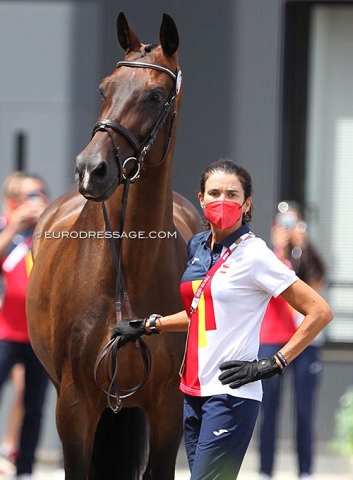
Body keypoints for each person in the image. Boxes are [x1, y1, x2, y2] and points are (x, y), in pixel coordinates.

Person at [111, 158, 333, 480]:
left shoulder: (255, 254)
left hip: (231, 392)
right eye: (214, 193)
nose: (223, 201)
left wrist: (274, 363)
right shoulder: (197, 246)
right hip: (192, 390)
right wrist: (149, 325)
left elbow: (320, 311)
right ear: (201, 199)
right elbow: (199, 314)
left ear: (247, 204)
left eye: (232, 194)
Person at [0, 172, 50, 480]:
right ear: (14, 200)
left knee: (34, 404)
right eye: (32, 195)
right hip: (2, 332)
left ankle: (25, 469)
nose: (39, 200)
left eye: (42, 193)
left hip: (38, 334)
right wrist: (14, 228)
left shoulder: (50, 231)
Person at [258, 201, 326, 480]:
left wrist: (304, 248)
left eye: (294, 224)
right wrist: (279, 250)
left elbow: (316, 286)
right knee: (269, 411)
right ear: (275, 228)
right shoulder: (266, 258)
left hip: (307, 344)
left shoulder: (307, 258)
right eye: (284, 225)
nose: (288, 230)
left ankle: (306, 472)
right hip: (272, 341)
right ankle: (265, 471)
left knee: (304, 412)